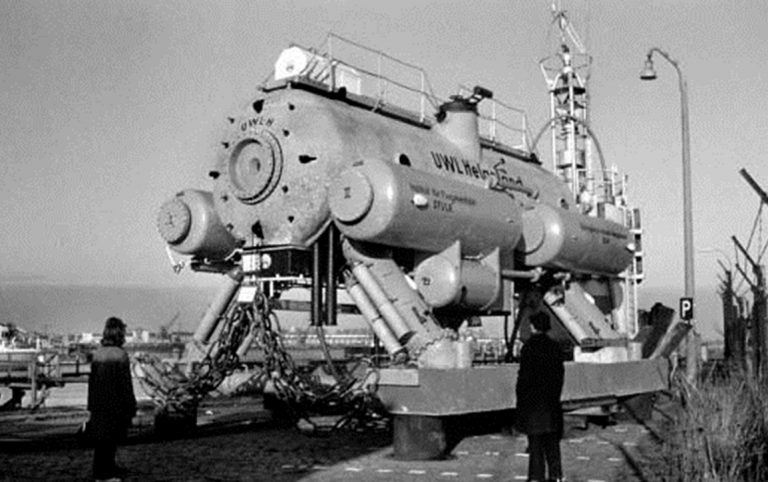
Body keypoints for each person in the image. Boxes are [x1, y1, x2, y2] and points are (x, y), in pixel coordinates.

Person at [515, 311, 565, 482]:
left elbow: (523, 379)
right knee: (552, 444)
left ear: (533, 326)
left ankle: (536, 477)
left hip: (533, 405)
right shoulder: (555, 347)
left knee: (535, 446)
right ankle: (556, 476)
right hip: (551, 403)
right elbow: (559, 376)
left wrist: (521, 403)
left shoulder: (528, 348)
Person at [88, 317, 136, 482]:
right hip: (115, 404)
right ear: (119, 334)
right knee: (111, 439)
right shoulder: (121, 355)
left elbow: (92, 382)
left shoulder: (97, 354)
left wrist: (91, 405)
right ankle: (105, 474)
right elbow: (126, 384)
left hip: (98, 403)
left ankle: (102, 470)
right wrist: (131, 406)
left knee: (101, 441)